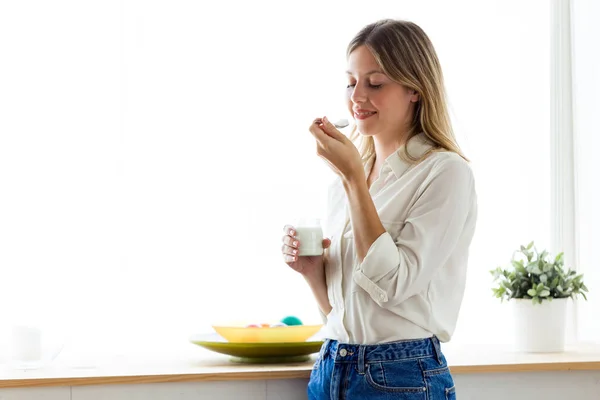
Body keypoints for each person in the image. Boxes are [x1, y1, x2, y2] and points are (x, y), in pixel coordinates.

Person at [281, 19, 477, 399]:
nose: (357, 96)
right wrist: (312, 273)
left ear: (415, 90)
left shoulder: (445, 173)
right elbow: (346, 314)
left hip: (401, 374)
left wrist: (353, 177)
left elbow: (394, 285)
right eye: (351, 82)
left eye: (375, 82)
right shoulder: (348, 176)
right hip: (331, 367)